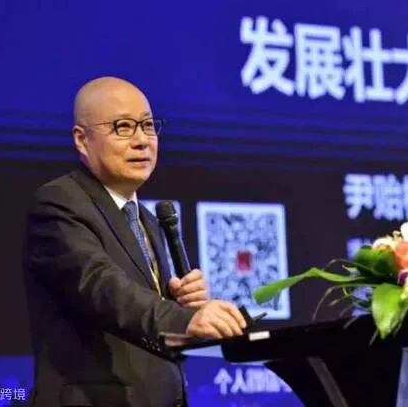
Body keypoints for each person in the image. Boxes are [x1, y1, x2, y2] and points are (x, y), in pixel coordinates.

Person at [22, 76, 247, 407]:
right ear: (82, 139)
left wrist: (181, 305)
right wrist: (183, 319)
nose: (142, 140)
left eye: (148, 126)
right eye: (123, 127)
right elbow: (101, 286)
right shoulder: (59, 202)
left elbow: (147, 326)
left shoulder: (148, 221)